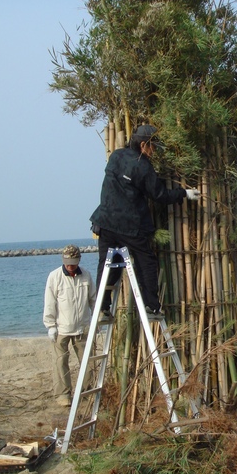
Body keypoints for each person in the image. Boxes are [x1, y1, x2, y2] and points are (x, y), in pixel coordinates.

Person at [90, 124, 200, 321]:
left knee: (109, 264)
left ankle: (102, 309)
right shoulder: (143, 166)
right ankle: (152, 307)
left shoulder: (116, 155)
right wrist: (185, 193)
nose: (154, 150)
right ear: (143, 145)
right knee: (146, 262)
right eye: (153, 146)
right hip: (129, 225)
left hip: (104, 221)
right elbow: (160, 195)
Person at [43, 244, 96, 407]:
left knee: (88, 361)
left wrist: (98, 318)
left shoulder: (86, 275)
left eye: (73, 262)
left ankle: (88, 392)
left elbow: (93, 299)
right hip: (61, 328)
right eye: (68, 262)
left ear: (78, 260)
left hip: (83, 326)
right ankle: (63, 394)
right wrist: (50, 325)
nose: (70, 266)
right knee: (60, 362)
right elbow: (49, 302)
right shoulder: (54, 276)